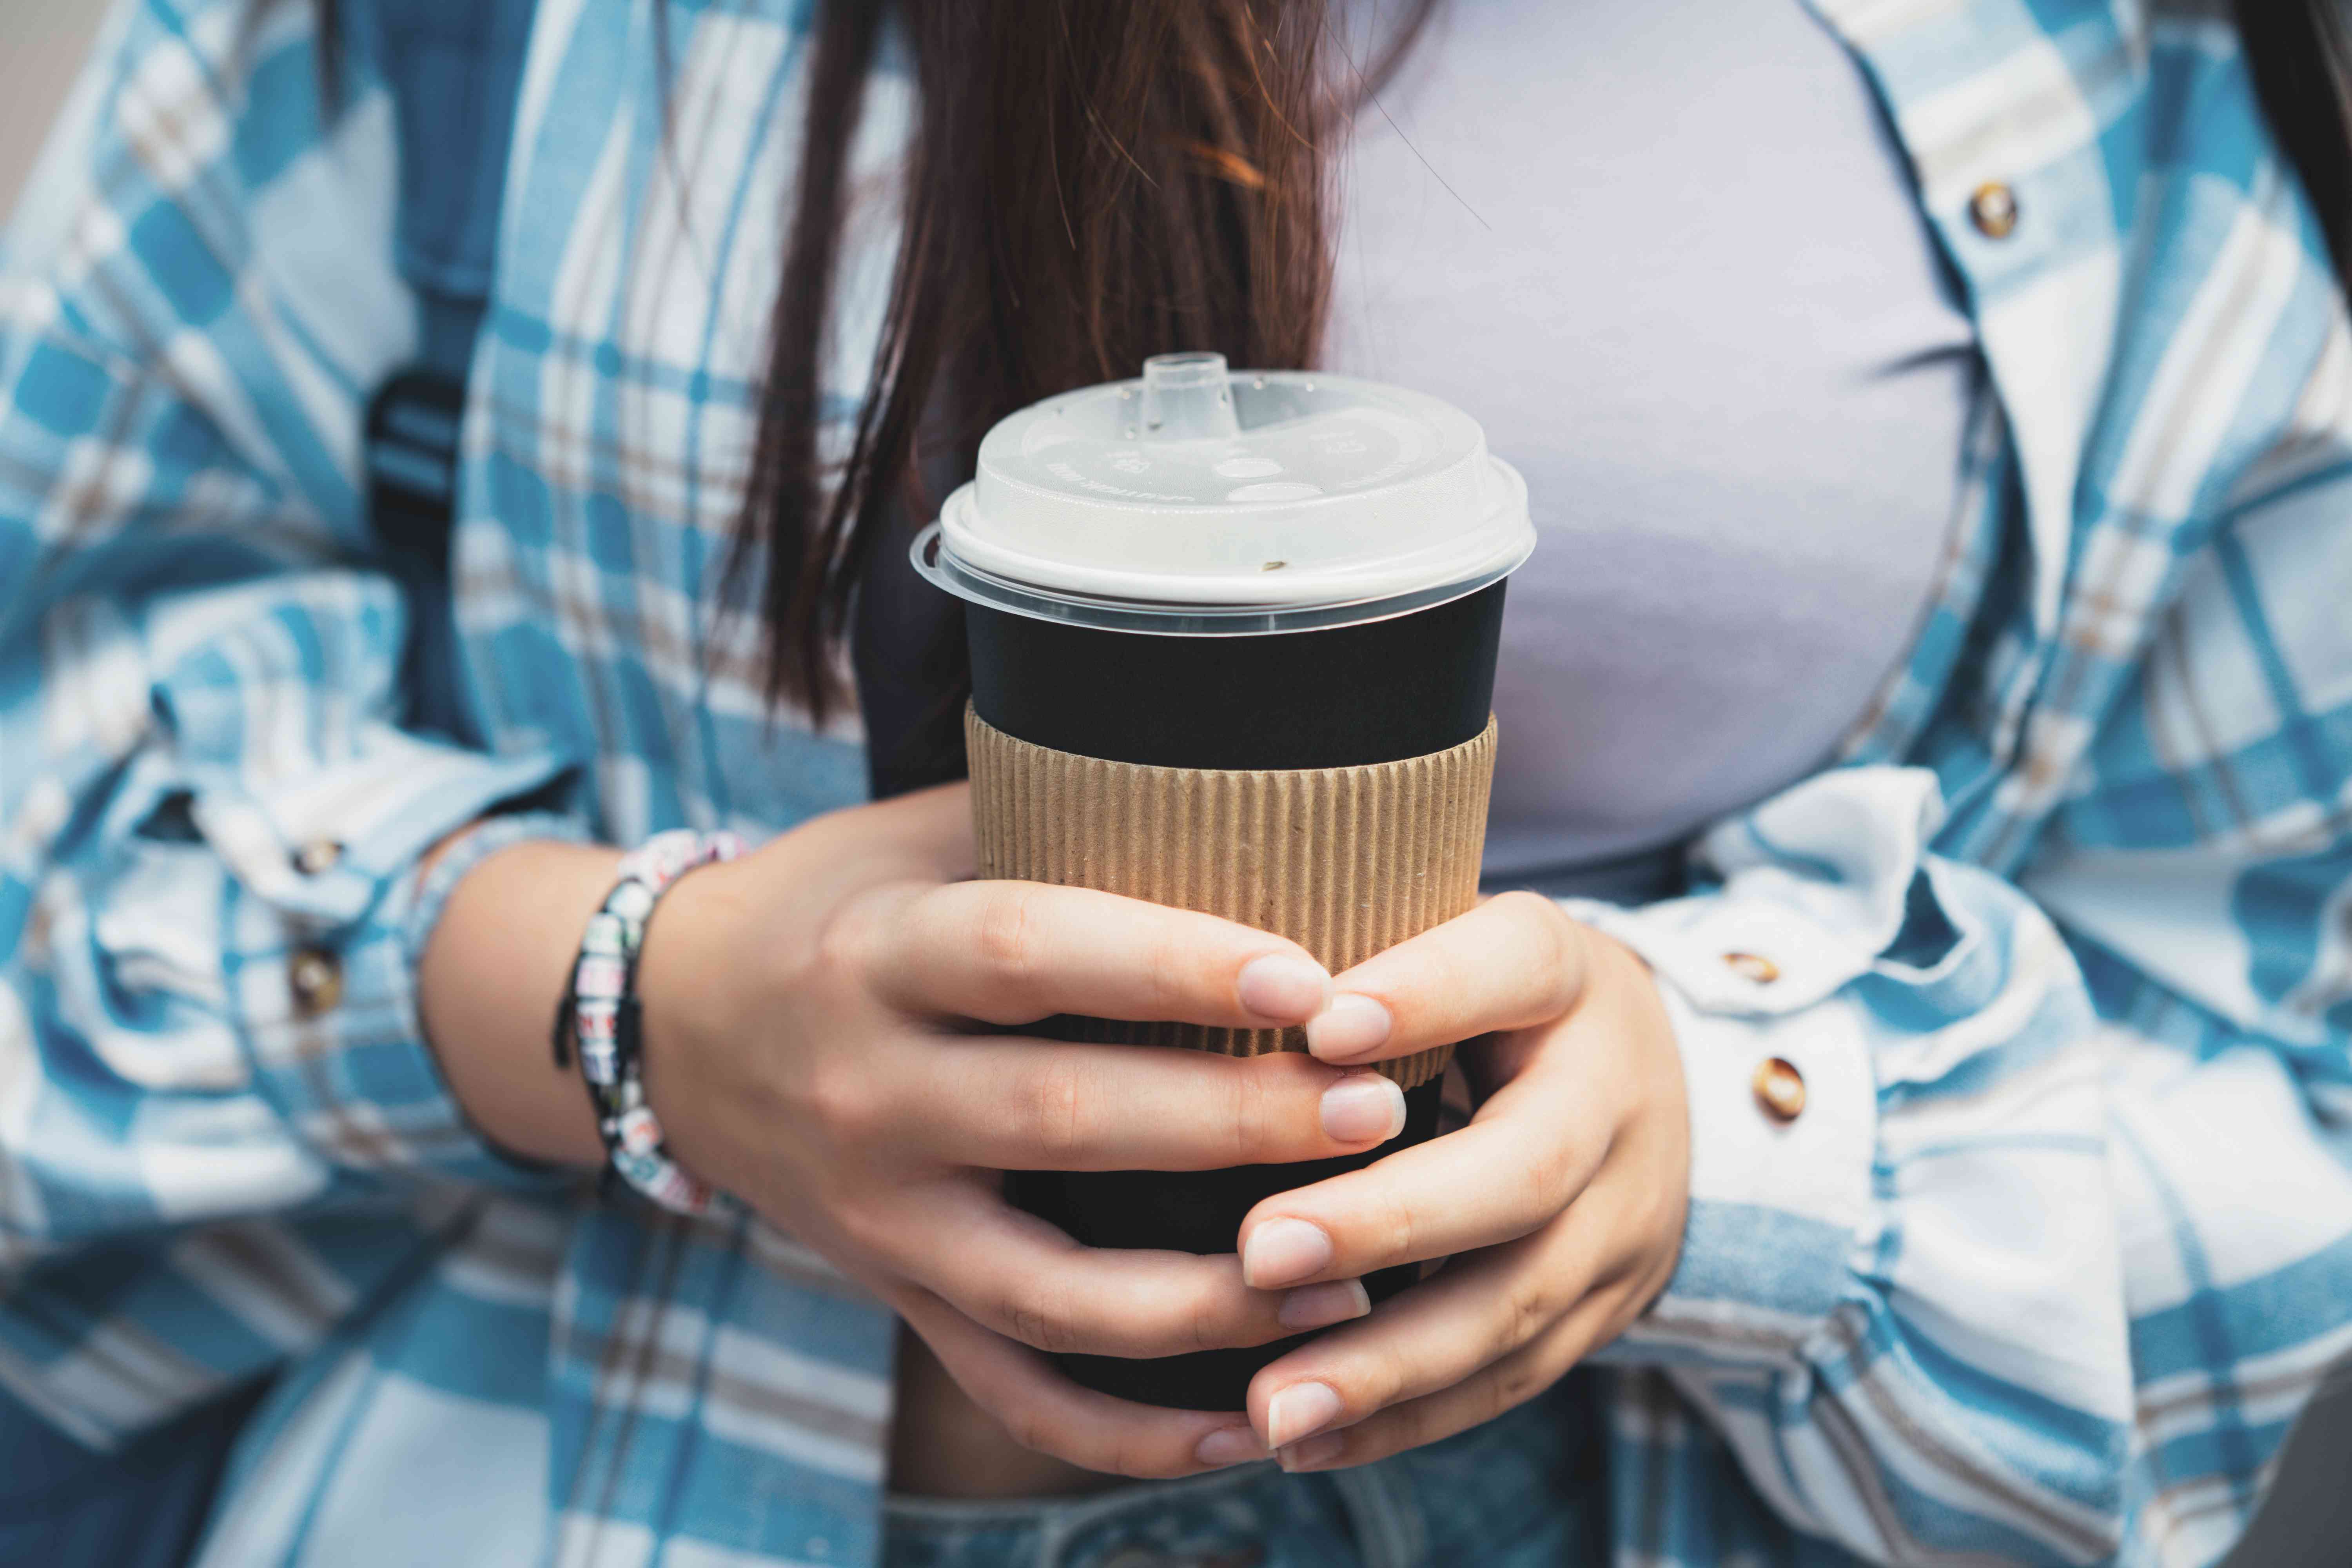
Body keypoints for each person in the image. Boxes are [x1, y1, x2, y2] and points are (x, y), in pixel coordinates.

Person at [3, 0, 2349, 1564]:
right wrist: (631, 1002)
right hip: (572, 1471)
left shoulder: (2127, 74)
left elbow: (2278, 1099)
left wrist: (1714, 1144)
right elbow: (51, 746)